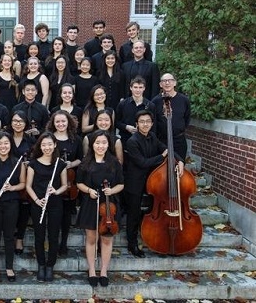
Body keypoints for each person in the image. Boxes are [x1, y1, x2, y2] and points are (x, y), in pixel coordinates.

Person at [124, 110, 184, 258]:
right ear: (137, 124)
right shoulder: (132, 141)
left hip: (153, 182)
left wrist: (180, 160)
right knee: (133, 213)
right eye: (142, 122)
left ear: (151, 123)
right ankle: (132, 244)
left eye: (148, 122)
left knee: (152, 210)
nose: (145, 124)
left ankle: (154, 239)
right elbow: (143, 163)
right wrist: (161, 156)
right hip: (135, 182)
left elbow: (167, 149)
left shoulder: (152, 137)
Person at [76, 130, 124, 287]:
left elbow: (121, 184)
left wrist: (112, 190)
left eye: (103, 143)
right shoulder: (85, 162)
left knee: (106, 238)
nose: (100, 146)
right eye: (97, 143)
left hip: (110, 205)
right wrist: (89, 190)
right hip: (91, 203)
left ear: (108, 144)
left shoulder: (114, 163)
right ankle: (91, 270)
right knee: (91, 239)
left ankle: (103, 271)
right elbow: (79, 183)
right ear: (92, 144)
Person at [0, 131, 26, 283]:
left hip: (11, 203)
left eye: (6, 143)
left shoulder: (17, 162)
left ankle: (9, 267)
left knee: (9, 237)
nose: (3, 146)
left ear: (10, 145)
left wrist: (11, 188)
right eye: (0, 143)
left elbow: (23, 184)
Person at [25, 132, 67, 282]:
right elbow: (28, 186)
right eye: (43, 144)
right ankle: (41, 265)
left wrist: (56, 191)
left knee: (54, 235)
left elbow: (65, 186)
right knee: (39, 235)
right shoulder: (33, 163)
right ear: (39, 146)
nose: (47, 147)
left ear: (55, 145)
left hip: (55, 203)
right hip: (38, 203)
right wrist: (36, 200)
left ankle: (50, 265)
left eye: (50, 144)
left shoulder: (60, 164)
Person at [46, 110, 83, 256]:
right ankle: (52, 243)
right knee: (53, 215)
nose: (60, 124)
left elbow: (81, 158)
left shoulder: (76, 139)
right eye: (57, 122)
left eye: (63, 121)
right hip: (51, 181)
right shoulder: (48, 138)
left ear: (68, 122)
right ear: (53, 123)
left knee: (66, 215)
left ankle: (64, 243)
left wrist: (70, 164)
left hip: (69, 181)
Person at [9, 110, 35, 255]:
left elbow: (35, 159)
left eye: (21, 121)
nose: (18, 124)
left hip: (25, 179)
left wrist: (28, 164)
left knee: (24, 209)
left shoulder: (31, 141)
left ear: (25, 124)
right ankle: (10, 235)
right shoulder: (6, 138)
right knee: (11, 208)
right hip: (9, 178)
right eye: (15, 121)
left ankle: (19, 238)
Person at [152, 73, 191, 160]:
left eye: (170, 80)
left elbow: (187, 118)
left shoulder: (184, 100)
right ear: (160, 85)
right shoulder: (155, 101)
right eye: (164, 81)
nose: (167, 83)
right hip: (161, 141)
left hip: (179, 141)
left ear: (175, 83)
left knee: (179, 167)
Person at [115, 76, 156, 148]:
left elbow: (154, 125)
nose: (138, 90)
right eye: (135, 87)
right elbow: (116, 122)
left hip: (144, 142)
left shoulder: (150, 105)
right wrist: (126, 127)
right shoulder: (122, 104)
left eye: (140, 87)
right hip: (126, 140)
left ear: (144, 88)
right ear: (131, 88)